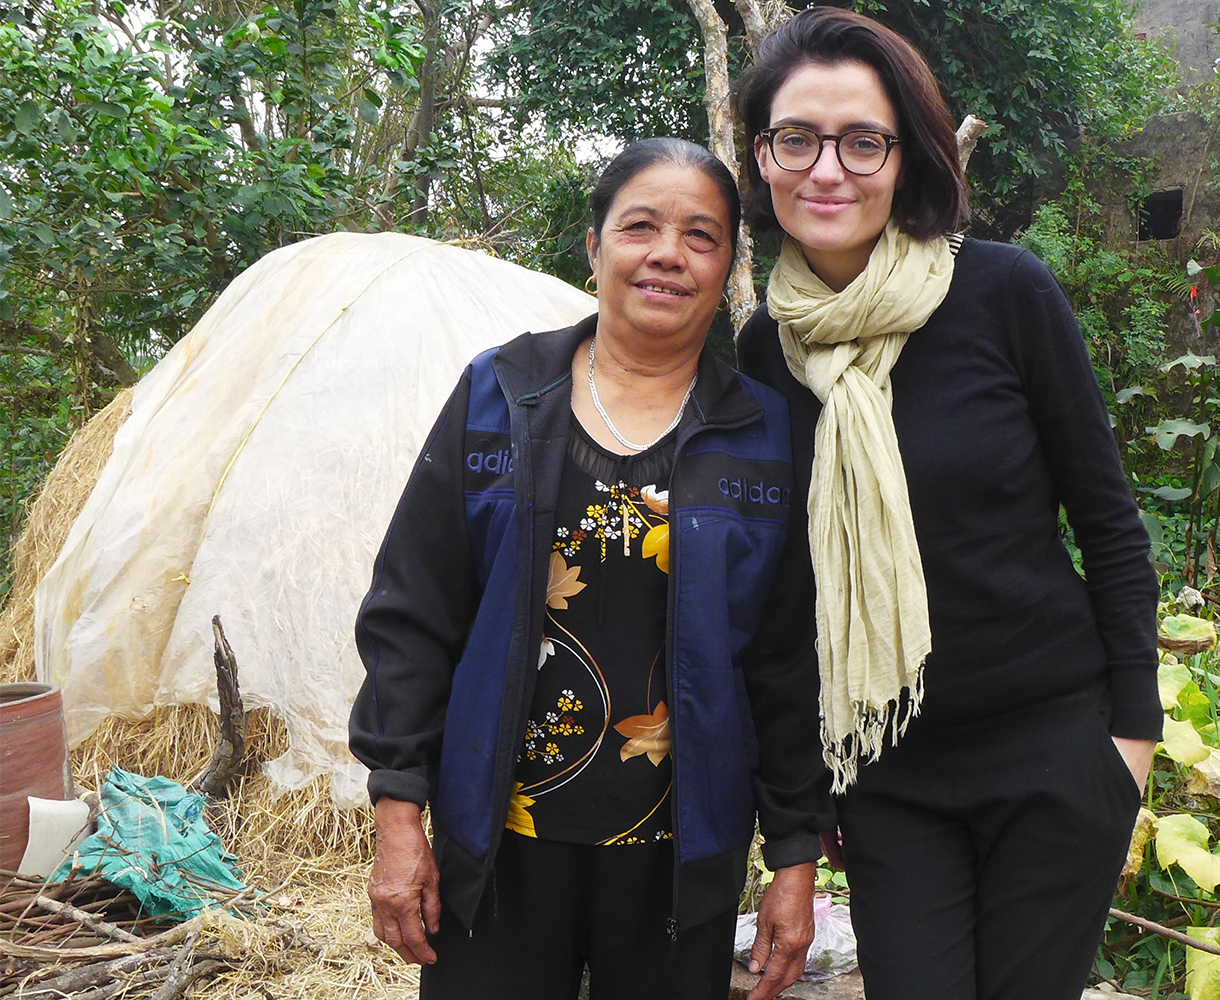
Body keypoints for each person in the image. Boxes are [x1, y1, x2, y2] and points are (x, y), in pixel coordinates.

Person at [733, 10, 1162, 1000]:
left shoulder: (1004, 293)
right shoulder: (766, 352)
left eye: (861, 140)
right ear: (762, 157)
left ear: (907, 156)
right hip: (888, 776)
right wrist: (806, 794)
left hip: (1051, 752)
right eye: (797, 138)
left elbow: (1109, 526)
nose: (826, 169)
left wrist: (1127, 750)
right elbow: (785, 596)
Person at [349, 137, 832, 1000]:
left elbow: (786, 658)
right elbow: (412, 611)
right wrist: (398, 812)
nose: (667, 255)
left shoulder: (762, 430)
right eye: (640, 226)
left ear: (727, 266)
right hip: (498, 841)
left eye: (701, 236)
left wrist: (794, 854)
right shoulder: (501, 394)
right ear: (595, 246)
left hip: (682, 857)